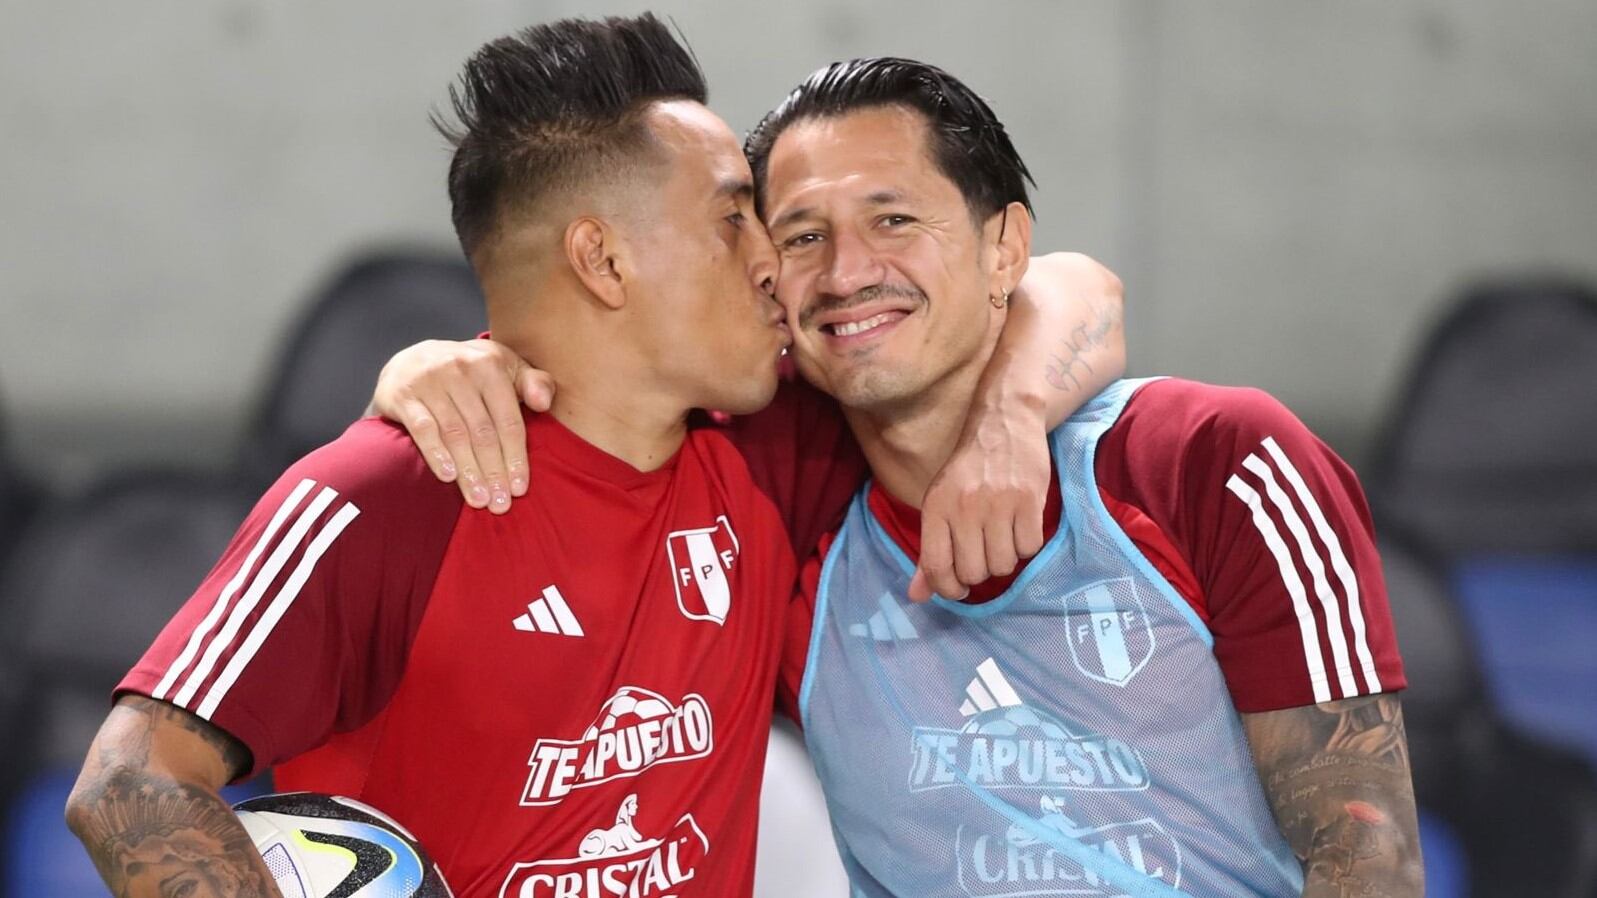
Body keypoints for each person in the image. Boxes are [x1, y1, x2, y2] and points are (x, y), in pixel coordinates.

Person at [65, 16, 1126, 898]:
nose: (775, 259)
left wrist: (1008, 420)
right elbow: (125, 787)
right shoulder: (386, 491)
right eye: (732, 219)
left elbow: (1069, 287)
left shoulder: (769, 445)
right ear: (602, 260)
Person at [382, 57, 1424, 896]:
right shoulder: (775, 491)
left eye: (893, 220)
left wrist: (1010, 421)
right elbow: (602, 370)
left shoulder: (1212, 462)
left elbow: (1367, 859)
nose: (845, 273)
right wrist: (445, 364)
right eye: (801, 236)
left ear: (1004, 248)